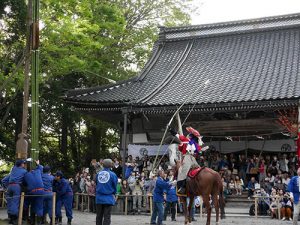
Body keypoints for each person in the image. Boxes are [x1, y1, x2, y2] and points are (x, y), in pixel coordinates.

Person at [170, 127, 204, 194]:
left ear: (190, 136)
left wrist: (171, 130)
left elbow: (176, 135)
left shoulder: (185, 139)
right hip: (194, 159)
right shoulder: (196, 144)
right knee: (199, 169)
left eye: (189, 134)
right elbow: (198, 152)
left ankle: (183, 187)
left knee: (183, 173)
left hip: (187, 158)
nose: (187, 135)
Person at [95, 158, 118, 225]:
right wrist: (114, 193)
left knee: (99, 216)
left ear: (103, 165)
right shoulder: (113, 175)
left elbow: (96, 183)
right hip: (108, 198)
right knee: (107, 217)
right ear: (111, 165)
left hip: (99, 198)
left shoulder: (98, 174)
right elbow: (115, 186)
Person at [5, 159, 28, 224]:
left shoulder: (13, 169)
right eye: (23, 163)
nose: (24, 164)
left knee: (9, 201)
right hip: (16, 186)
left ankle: (10, 217)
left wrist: (24, 160)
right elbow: (25, 180)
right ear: (21, 164)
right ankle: (13, 218)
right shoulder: (24, 171)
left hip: (9, 186)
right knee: (15, 202)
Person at [23, 160, 45, 225]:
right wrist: (38, 163)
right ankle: (39, 222)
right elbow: (41, 168)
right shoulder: (38, 171)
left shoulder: (26, 175)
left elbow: (24, 183)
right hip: (41, 191)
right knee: (40, 206)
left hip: (32, 192)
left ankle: (30, 220)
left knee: (31, 205)